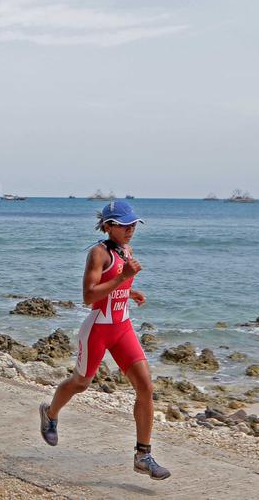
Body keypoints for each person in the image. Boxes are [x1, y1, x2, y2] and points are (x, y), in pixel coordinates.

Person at [38, 200, 171, 480]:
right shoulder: (98, 253)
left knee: (145, 387)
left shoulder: (126, 250)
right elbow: (89, 296)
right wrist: (123, 277)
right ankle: (50, 413)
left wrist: (129, 291)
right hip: (98, 329)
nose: (130, 229)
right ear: (108, 226)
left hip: (123, 328)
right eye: (124, 225)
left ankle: (143, 455)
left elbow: (114, 285)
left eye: (133, 224)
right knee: (81, 383)